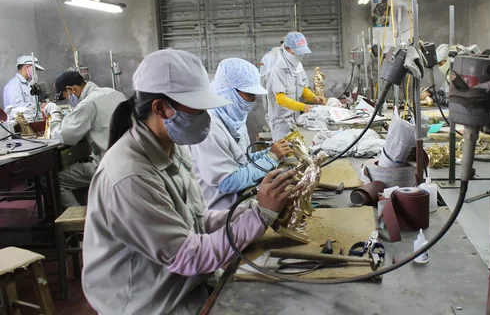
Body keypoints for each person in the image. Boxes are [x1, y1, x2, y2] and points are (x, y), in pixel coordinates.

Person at [82, 48, 301, 315]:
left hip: (185, 286)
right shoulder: (131, 176)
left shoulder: (172, 149)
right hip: (150, 305)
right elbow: (190, 256)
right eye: (198, 109)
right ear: (161, 108)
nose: (206, 119)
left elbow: (197, 221)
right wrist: (260, 217)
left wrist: (253, 211)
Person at [188, 58, 293, 210]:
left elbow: (242, 161)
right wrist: (270, 158)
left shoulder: (234, 119)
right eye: (249, 94)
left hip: (238, 200)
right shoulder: (209, 128)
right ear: (229, 91)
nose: (253, 100)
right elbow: (228, 181)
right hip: (218, 212)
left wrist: (270, 152)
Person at [43, 71, 126, 207]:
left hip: (106, 166)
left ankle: (79, 222)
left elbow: (62, 136)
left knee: (53, 179)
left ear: (71, 89)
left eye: (65, 96)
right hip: (126, 160)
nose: (67, 99)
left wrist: (55, 113)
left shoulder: (88, 103)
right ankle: (90, 206)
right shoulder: (114, 93)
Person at [264, 32, 327, 140]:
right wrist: (304, 107)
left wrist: (314, 98)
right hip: (281, 122)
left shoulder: (297, 64)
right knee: (284, 152)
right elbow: (280, 99)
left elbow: (302, 88)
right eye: (297, 51)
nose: (300, 55)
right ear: (287, 48)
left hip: (295, 119)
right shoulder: (277, 69)